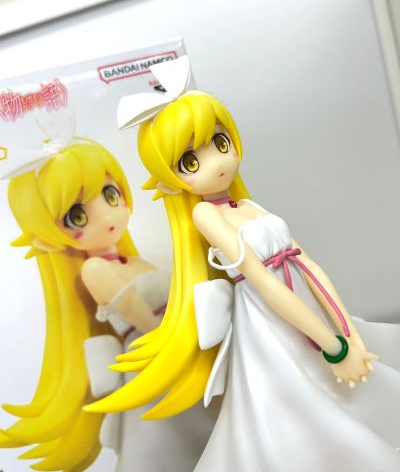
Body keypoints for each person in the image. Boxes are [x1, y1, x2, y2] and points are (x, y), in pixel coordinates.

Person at [87, 56, 400, 471]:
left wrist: (347, 332)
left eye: (220, 143)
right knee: (296, 405)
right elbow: (263, 283)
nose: (218, 162)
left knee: (354, 387)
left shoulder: (248, 205)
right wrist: (333, 346)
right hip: (270, 323)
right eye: (190, 162)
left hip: (306, 308)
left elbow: (308, 265)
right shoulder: (205, 215)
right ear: (170, 179)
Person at [0, 114, 215, 471]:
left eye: (110, 194)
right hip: (155, 359)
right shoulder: (95, 269)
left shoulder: (136, 261)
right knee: (174, 448)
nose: (106, 214)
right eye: (77, 216)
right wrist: (174, 346)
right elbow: (136, 311)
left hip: (175, 349)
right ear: (47, 238)